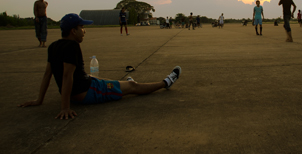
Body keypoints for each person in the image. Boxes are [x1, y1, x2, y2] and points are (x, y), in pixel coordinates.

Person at [19, 13, 181, 120]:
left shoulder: (53, 46)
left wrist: (39, 100)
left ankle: (121, 85)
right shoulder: (72, 46)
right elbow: (67, 76)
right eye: (81, 28)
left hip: (82, 87)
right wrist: (65, 107)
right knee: (132, 86)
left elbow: (48, 74)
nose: (84, 31)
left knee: (101, 79)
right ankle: (165, 82)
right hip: (85, 92)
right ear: (73, 31)